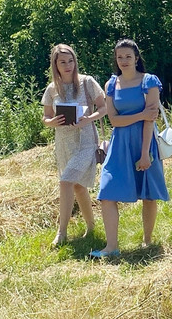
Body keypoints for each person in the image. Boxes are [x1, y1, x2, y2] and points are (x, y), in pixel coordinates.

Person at [90, 39, 169, 258]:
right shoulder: (111, 84)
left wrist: (145, 153)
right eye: (119, 57)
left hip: (144, 141)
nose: (123, 61)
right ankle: (111, 247)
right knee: (107, 193)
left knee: (149, 194)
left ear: (136, 58)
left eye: (128, 56)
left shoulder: (149, 81)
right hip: (119, 144)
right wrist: (141, 114)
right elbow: (114, 120)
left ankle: (147, 241)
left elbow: (150, 120)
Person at [41, 44, 106, 247]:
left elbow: (104, 107)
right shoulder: (52, 89)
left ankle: (62, 232)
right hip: (64, 143)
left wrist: (88, 119)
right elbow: (46, 116)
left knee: (66, 181)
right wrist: (52, 122)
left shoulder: (87, 82)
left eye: (71, 61)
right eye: (63, 62)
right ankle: (91, 226)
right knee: (77, 186)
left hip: (86, 141)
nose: (68, 65)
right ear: (56, 65)